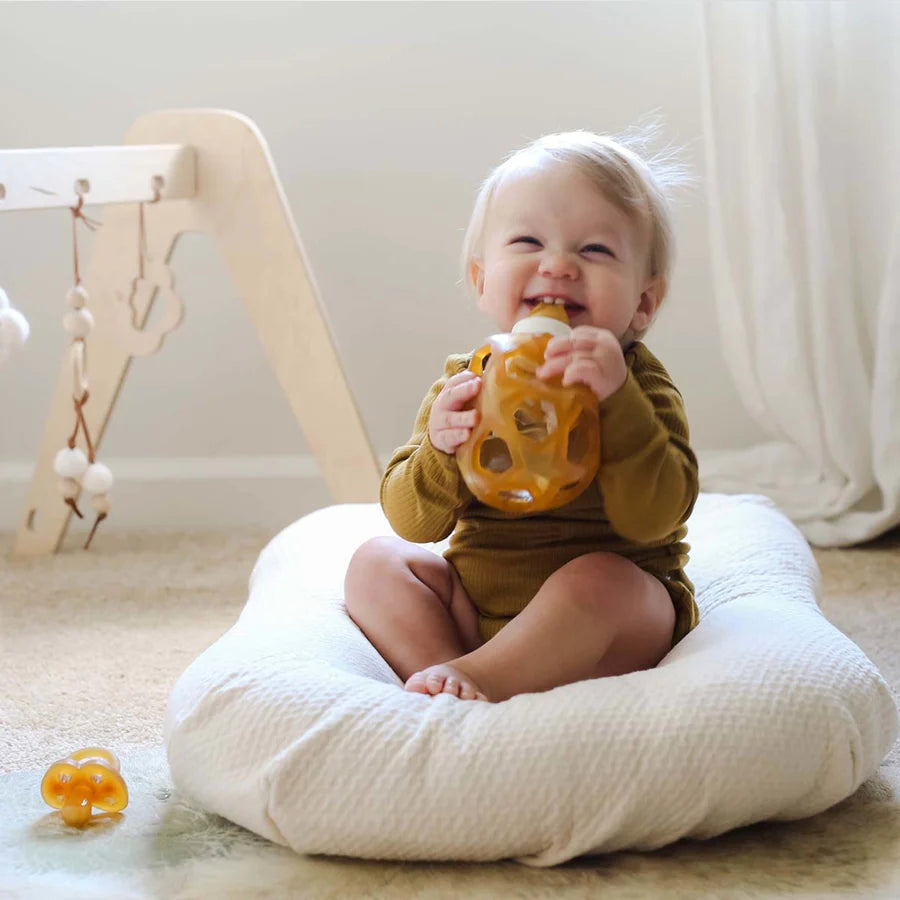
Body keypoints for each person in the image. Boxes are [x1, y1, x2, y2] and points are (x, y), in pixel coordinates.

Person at [344, 128, 699, 703]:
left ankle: (481, 681)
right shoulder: (469, 379)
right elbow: (413, 524)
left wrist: (617, 404)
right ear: (483, 282)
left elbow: (657, 516)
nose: (557, 266)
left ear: (643, 302)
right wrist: (440, 449)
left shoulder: (638, 384)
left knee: (600, 581)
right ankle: (454, 674)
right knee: (376, 563)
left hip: (609, 628)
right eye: (529, 241)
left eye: (595, 250)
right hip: (478, 613)